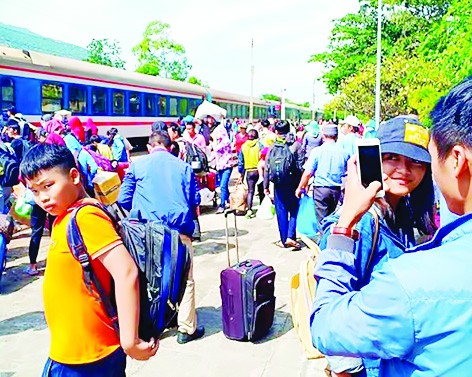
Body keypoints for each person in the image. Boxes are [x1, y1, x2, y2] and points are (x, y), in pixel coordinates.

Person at [310, 107, 459, 375]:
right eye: (392, 158)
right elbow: (332, 298)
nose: (405, 170)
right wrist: (346, 370)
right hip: (364, 362)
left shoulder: (407, 213)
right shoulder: (361, 221)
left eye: (416, 162)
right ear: (374, 161)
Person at [20, 143, 157, 376]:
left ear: (74, 176)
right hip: (70, 352)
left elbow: (126, 272)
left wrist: (130, 341)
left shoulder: (86, 216)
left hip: (90, 357)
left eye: (48, 185)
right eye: (34, 191)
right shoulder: (63, 216)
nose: (42, 197)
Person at [118, 131, 204, 344]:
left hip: (146, 235)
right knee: (186, 279)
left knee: (145, 278)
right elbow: (195, 198)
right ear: (169, 146)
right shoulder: (183, 166)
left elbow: (123, 198)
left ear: (149, 146)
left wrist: (142, 210)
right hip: (179, 232)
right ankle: (186, 328)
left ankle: (144, 324)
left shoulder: (137, 165)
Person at [296, 124, 349, 234]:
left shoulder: (317, 151)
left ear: (323, 136)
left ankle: (323, 243)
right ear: (336, 136)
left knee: (322, 220)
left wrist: (301, 187)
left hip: (321, 190)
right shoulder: (344, 153)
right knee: (334, 218)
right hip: (337, 190)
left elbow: (308, 173)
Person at [263, 120, 302, 249]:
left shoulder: (273, 147)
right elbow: (301, 166)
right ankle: (291, 236)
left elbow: (267, 167)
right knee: (294, 210)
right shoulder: (296, 145)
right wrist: (302, 184)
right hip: (294, 183)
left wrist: (265, 185)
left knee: (281, 211)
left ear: (276, 132)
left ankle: (284, 239)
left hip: (278, 184)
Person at [238, 129, 263, 218]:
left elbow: (241, 162)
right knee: (261, 190)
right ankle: (262, 207)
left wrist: (241, 173)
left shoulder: (243, 146)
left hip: (249, 171)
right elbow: (263, 157)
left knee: (250, 191)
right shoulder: (260, 145)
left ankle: (249, 210)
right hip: (259, 170)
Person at [211, 123, 233, 214]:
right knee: (224, 186)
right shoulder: (219, 142)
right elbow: (214, 155)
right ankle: (230, 201)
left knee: (223, 186)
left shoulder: (225, 143)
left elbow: (216, 149)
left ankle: (222, 205)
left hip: (227, 166)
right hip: (220, 167)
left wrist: (214, 142)